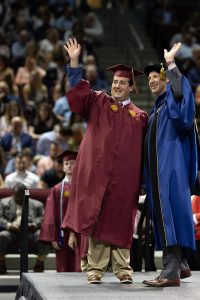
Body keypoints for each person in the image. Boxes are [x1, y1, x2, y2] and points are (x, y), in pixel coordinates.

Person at [62, 38, 148, 284]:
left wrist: (142, 180)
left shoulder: (140, 117)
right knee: (98, 217)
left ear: (131, 86)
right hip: (98, 173)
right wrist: (75, 62)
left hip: (125, 177)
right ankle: (96, 268)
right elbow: (77, 97)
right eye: (115, 82)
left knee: (122, 218)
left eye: (122, 83)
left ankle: (123, 269)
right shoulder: (99, 101)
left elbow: (143, 151)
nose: (117, 86)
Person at [143, 43, 200, 287]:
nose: (151, 81)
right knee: (170, 217)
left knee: (170, 216)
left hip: (170, 171)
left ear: (167, 80)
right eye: (148, 78)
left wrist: (170, 66)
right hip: (161, 173)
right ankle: (180, 265)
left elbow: (183, 106)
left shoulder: (172, 102)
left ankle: (169, 273)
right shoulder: (157, 109)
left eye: (155, 77)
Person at [39, 150, 88, 272]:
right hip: (62, 234)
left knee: (80, 266)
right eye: (66, 164)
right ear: (63, 167)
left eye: (72, 163)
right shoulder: (57, 189)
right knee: (64, 267)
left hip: (80, 232)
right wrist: (53, 236)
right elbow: (51, 215)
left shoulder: (85, 187)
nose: (69, 166)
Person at [0, 183, 48, 275]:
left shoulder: (37, 204)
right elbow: (0, 218)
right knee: (1, 236)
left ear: (26, 194)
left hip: (30, 231)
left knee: (43, 236)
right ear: (13, 194)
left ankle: (39, 263)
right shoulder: (3, 202)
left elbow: (43, 218)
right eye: (17, 196)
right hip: (12, 231)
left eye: (22, 196)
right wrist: (9, 225)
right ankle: (1, 263)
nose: (19, 198)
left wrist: (34, 224)